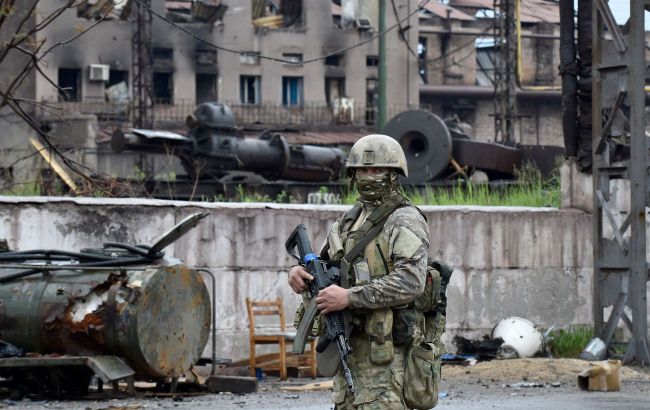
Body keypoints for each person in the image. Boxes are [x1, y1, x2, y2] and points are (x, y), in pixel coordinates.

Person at [288, 134, 431, 409]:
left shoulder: (404, 219)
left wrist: (349, 298)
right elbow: (324, 267)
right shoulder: (348, 221)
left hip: (387, 359)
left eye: (377, 169)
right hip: (349, 352)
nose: (369, 176)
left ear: (393, 174)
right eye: (363, 170)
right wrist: (300, 274)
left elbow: (412, 281)